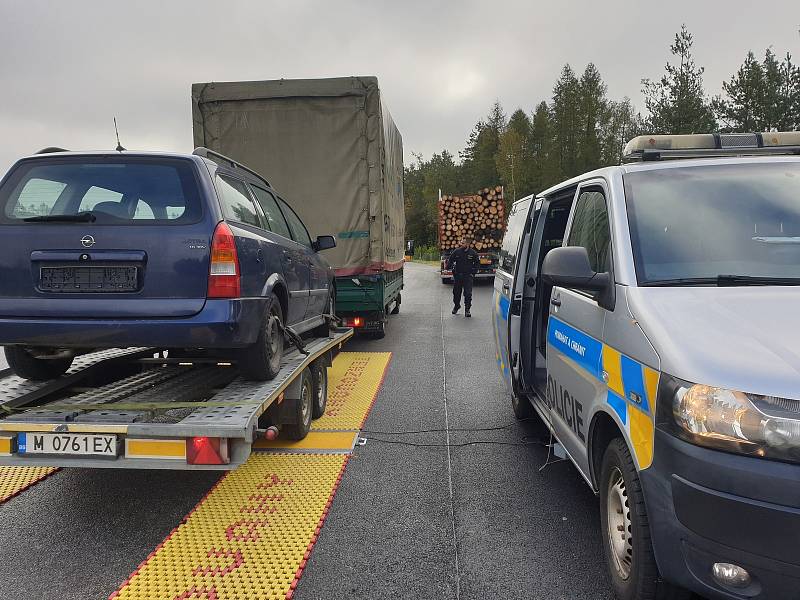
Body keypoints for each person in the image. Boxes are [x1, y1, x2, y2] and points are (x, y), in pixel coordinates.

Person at [446, 237, 479, 317]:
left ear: (468, 244)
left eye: (464, 243)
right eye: (461, 242)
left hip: (468, 276)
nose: (462, 244)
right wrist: (448, 268)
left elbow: (477, 263)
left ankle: (467, 310)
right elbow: (451, 260)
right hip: (458, 276)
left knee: (468, 294)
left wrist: (473, 273)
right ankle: (456, 306)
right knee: (456, 293)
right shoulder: (457, 251)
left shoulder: (473, 253)